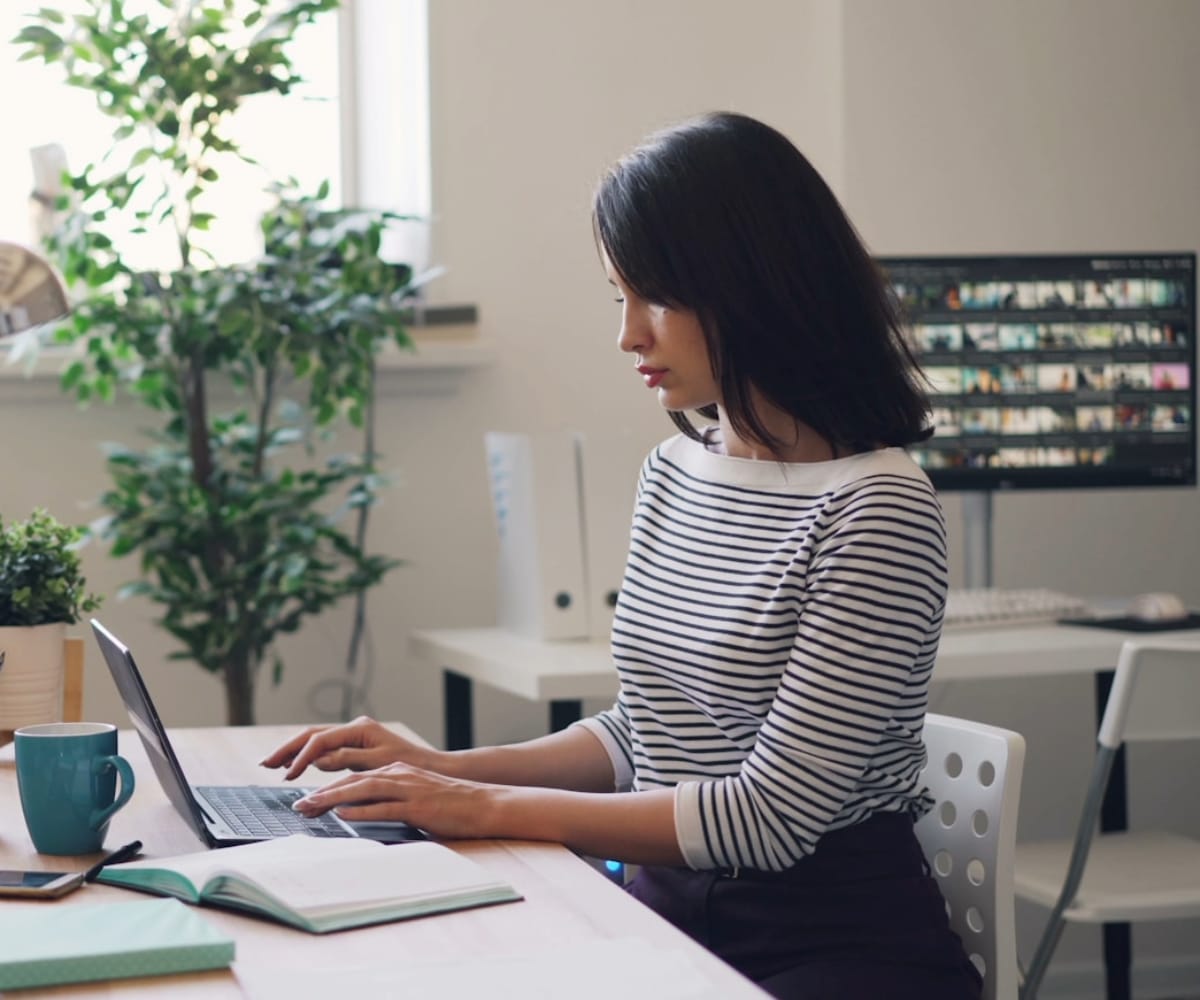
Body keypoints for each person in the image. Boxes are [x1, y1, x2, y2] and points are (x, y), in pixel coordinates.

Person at [261, 111, 979, 1000]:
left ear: (759, 286)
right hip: (664, 913)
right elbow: (646, 733)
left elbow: (770, 818)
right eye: (619, 298)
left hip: (828, 946)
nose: (629, 335)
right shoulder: (677, 470)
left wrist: (481, 810)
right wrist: (439, 769)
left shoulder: (878, 506)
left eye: (658, 299)